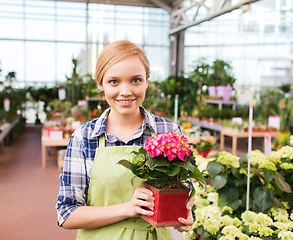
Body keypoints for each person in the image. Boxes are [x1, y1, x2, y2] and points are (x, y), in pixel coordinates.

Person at [56, 40, 194, 239]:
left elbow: (184, 191)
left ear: (147, 81)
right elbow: (67, 213)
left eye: (136, 80)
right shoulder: (84, 137)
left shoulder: (169, 131)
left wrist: (185, 215)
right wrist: (128, 208)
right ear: (101, 84)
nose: (126, 91)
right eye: (114, 81)